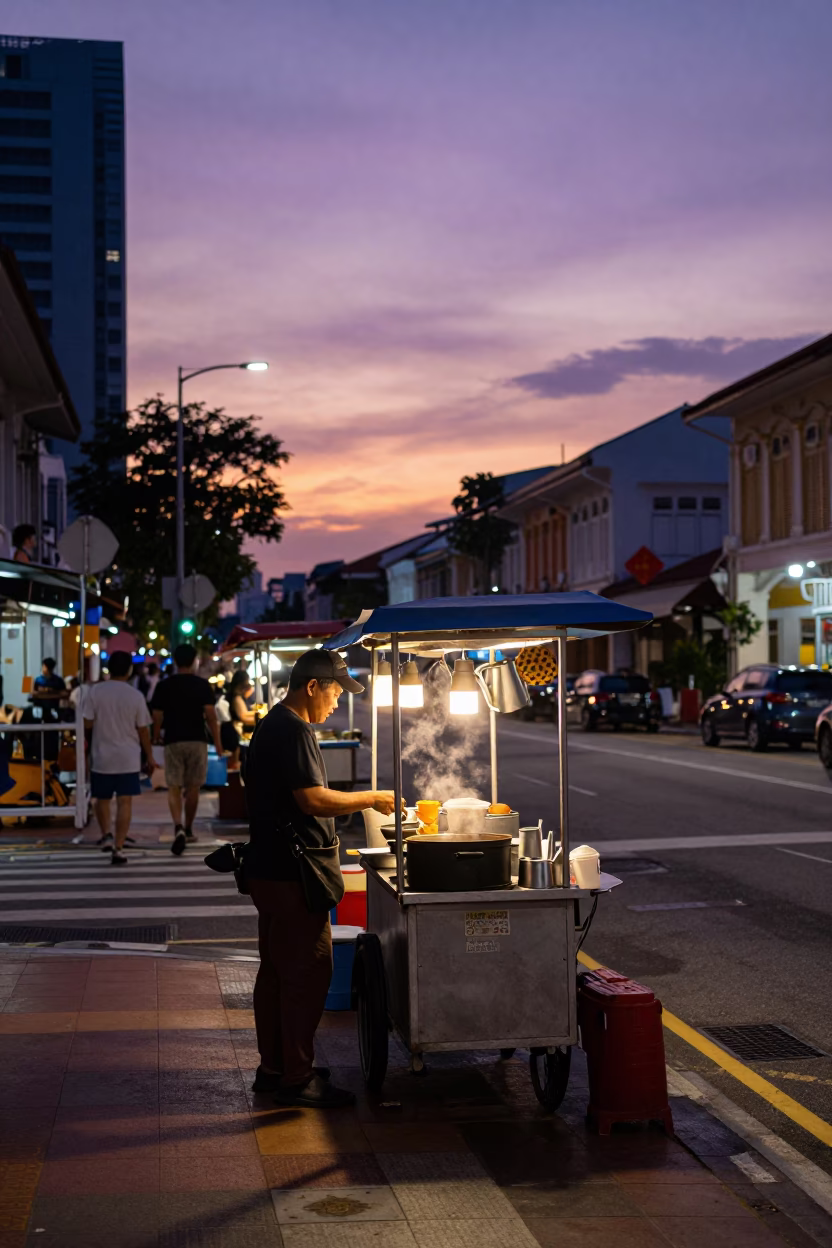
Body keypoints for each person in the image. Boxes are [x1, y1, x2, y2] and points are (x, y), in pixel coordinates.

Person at [244, 647, 400, 1110]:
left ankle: (273, 1069)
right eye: (334, 691)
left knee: (275, 971)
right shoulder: (292, 730)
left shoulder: (272, 724)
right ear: (312, 686)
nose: (337, 702)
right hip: (294, 874)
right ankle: (297, 1077)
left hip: (267, 869)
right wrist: (370, 798)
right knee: (308, 972)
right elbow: (311, 799)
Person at [84, 650, 156, 865]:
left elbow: (87, 723)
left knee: (101, 799)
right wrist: (150, 757)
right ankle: (119, 847)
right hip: (128, 757)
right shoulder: (135, 695)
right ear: (129, 670)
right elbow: (143, 730)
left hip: (101, 755)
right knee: (125, 802)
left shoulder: (95, 692)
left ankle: (106, 834)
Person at [151, 643, 223, 856]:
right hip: (197, 740)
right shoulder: (202, 686)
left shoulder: (164, 686)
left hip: (173, 740)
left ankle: (178, 826)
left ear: (175, 661)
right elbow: (211, 716)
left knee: (173, 785)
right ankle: (189, 828)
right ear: (194, 661)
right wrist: (218, 743)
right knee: (193, 787)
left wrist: (156, 734)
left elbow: (157, 715)